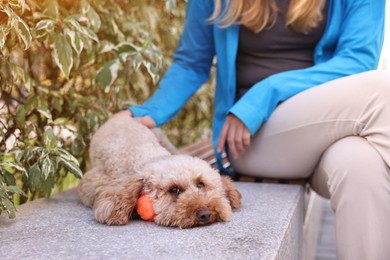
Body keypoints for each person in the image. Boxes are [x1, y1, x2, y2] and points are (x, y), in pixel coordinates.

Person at [115, 0, 389, 259]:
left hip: (327, 134)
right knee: (383, 89)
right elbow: (191, 62)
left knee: (361, 164)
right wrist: (149, 112)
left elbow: (357, 61)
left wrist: (265, 92)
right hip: (252, 139)